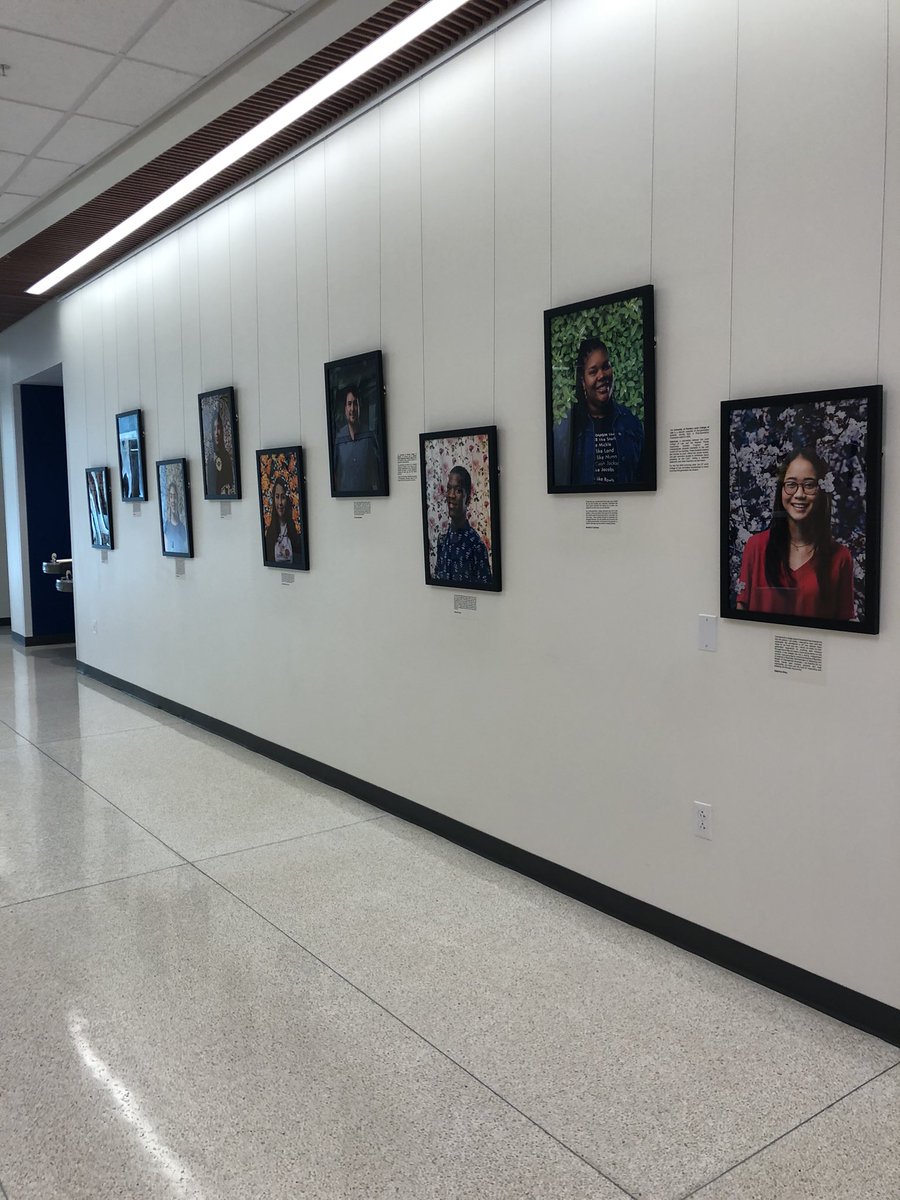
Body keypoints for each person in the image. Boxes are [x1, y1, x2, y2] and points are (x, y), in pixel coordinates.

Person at [736, 447, 854, 620]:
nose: (799, 494)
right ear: (781, 489)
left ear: (821, 490)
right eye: (791, 484)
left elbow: (845, 625)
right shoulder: (756, 547)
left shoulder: (840, 557)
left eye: (809, 485)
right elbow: (741, 611)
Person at [553, 336, 644, 487]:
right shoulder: (565, 431)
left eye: (606, 366)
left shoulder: (631, 424)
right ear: (582, 381)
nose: (602, 375)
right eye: (593, 371)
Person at [434, 465, 492, 586]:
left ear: (468, 499)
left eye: (458, 490)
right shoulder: (442, 541)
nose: (451, 495)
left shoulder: (476, 546)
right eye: (449, 489)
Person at [332, 385, 382, 493]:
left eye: (355, 403)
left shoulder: (370, 436)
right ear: (345, 409)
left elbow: (376, 474)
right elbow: (335, 475)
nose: (352, 409)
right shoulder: (339, 439)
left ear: (360, 407)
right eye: (349, 404)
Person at [264, 475, 303, 566]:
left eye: (283, 497)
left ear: (288, 500)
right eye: (277, 497)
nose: (280, 502)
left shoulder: (295, 531)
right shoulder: (269, 532)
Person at [207, 408, 235, 496]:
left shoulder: (227, 457)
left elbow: (231, 483)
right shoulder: (210, 459)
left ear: (222, 431)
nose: (216, 433)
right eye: (214, 428)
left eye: (218, 428)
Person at [163, 476, 188, 554]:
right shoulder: (166, 525)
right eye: (171, 496)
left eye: (175, 496)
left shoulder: (183, 527)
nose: (173, 500)